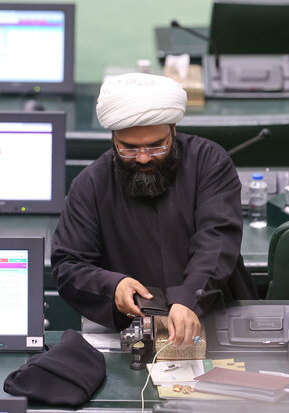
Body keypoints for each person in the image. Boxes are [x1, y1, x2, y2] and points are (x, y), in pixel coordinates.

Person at [51, 73, 258, 346]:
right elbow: (69, 265)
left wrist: (188, 300)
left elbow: (216, 240)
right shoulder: (90, 184)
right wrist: (113, 286)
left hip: (218, 324)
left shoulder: (209, 162)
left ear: (173, 129)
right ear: (113, 138)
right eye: (129, 148)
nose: (144, 157)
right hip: (135, 335)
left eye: (156, 146)